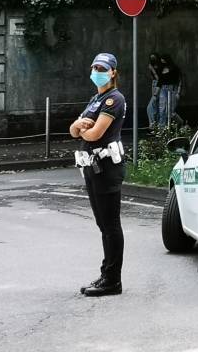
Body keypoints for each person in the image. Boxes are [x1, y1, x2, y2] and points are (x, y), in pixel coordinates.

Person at [69, 52, 127, 297]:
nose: (97, 71)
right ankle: (106, 274)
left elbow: (95, 133)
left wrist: (84, 129)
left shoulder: (114, 99)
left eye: (102, 68)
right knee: (103, 224)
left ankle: (113, 280)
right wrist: (80, 127)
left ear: (113, 72)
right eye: (94, 67)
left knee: (111, 225)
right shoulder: (96, 99)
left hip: (107, 169)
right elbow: (73, 129)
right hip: (92, 168)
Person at [156, 54, 182, 128]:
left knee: (170, 112)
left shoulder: (174, 68)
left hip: (172, 89)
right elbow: (160, 82)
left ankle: (180, 123)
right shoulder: (161, 69)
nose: (162, 61)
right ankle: (162, 129)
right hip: (163, 90)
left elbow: (179, 80)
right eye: (161, 60)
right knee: (162, 111)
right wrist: (156, 94)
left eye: (163, 59)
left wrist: (178, 92)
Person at [145, 52, 160, 127]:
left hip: (158, 85)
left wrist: (152, 70)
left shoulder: (159, 67)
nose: (153, 59)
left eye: (154, 57)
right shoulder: (152, 66)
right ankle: (156, 126)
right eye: (151, 58)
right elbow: (152, 78)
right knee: (156, 106)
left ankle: (152, 126)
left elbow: (159, 78)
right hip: (154, 84)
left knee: (150, 107)